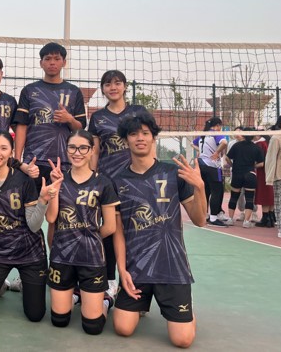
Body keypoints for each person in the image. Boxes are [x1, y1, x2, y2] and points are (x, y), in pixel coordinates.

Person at [112, 111, 207, 348]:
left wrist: (200, 187)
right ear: (126, 140)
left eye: (145, 133)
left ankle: (186, 310)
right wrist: (122, 270)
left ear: (153, 137)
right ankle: (141, 305)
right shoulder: (117, 180)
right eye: (133, 134)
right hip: (137, 268)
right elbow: (119, 231)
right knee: (123, 328)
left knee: (182, 340)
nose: (140, 138)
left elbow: (200, 221)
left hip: (172, 268)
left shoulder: (173, 173)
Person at [12, 42, 87, 244]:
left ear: (64, 62)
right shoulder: (30, 90)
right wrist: (18, 161)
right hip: (34, 163)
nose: (52, 63)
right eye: (48, 59)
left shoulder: (73, 91)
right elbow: (22, 125)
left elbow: (81, 128)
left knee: (58, 218)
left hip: (63, 164)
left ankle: (56, 260)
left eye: (56, 59)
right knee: (29, 216)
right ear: (41, 63)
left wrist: (69, 119)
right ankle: (31, 260)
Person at [46, 130, 119, 335]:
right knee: (59, 320)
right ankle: (77, 294)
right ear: (66, 149)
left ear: (92, 150)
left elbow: (110, 226)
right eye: (72, 147)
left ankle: (106, 300)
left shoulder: (103, 183)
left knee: (92, 327)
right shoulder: (59, 180)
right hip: (62, 257)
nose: (77, 152)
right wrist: (54, 188)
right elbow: (51, 218)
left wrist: (86, 238)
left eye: (83, 148)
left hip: (91, 259)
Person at [0, 130, 50, 322]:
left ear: (11, 152)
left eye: (3, 148)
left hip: (31, 252)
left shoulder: (23, 180)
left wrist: (42, 201)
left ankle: (24, 283)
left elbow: (34, 226)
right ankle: (0, 281)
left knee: (35, 315)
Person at [88, 69, 146, 298]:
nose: (113, 87)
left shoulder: (138, 112)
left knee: (137, 230)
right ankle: (110, 280)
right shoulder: (98, 118)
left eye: (117, 83)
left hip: (135, 182)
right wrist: (91, 177)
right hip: (109, 182)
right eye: (108, 84)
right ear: (103, 89)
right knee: (111, 231)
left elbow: (148, 141)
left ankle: (136, 281)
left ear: (124, 86)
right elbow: (95, 150)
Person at [225, 128, 264, 228]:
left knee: (234, 197)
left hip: (237, 173)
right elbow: (261, 163)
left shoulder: (236, 145)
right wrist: (253, 166)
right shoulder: (256, 147)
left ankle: (230, 219)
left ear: (243, 135)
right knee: (249, 198)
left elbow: (227, 157)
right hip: (250, 174)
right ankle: (246, 221)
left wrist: (232, 165)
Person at [194, 117, 228, 227]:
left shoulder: (203, 134)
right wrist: (217, 152)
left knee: (206, 191)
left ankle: (205, 215)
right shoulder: (215, 133)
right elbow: (224, 142)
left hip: (201, 164)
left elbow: (192, 144)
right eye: (220, 126)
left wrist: (201, 151)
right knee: (217, 191)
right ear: (217, 125)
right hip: (212, 166)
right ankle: (213, 218)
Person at [254, 131, 275, 228]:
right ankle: (271, 217)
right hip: (273, 171)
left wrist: (251, 165)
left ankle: (265, 218)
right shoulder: (270, 142)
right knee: (271, 194)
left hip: (263, 172)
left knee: (264, 194)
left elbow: (261, 162)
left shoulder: (260, 144)